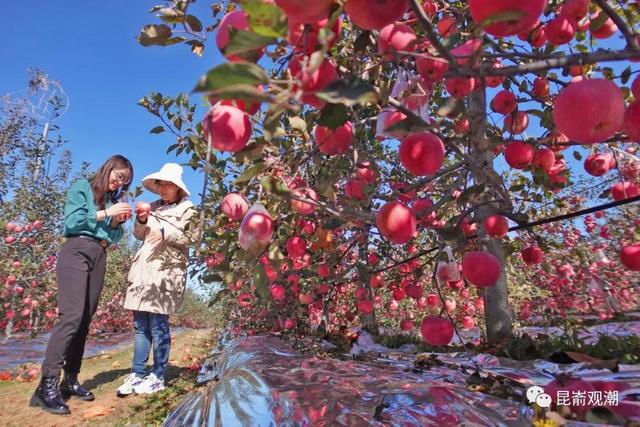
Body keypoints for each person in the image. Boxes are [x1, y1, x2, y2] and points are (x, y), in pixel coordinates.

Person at [31, 155, 133, 415]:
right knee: (71, 316)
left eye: (125, 181)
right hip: (76, 249)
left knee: (85, 318)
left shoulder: (113, 201)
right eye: (119, 176)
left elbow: (113, 237)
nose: (119, 183)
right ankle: (47, 384)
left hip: (99, 253)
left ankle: (70, 379)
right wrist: (106, 213)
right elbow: (72, 222)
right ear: (109, 168)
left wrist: (115, 222)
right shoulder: (82, 187)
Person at [116, 163, 196, 396]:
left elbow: (189, 237)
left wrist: (162, 227)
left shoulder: (188, 210)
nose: (162, 188)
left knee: (159, 326)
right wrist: (141, 219)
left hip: (165, 271)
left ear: (178, 188)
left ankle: (158, 376)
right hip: (143, 269)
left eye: (167, 184)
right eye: (160, 184)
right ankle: (137, 374)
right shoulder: (152, 207)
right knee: (140, 327)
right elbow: (139, 235)